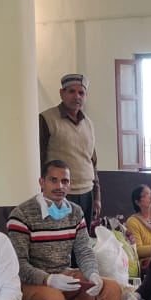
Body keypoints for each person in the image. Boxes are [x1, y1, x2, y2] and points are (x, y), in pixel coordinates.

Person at [7, 160, 127, 300]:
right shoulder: (22, 214)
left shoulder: (75, 212)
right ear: (41, 182)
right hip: (31, 284)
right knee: (53, 299)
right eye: (53, 180)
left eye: (65, 181)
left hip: (65, 276)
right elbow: (18, 264)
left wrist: (93, 274)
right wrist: (48, 279)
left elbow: (83, 250)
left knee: (111, 289)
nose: (59, 185)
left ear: (70, 185)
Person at [39, 73, 100, 224]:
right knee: (61, 240)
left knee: (82, 240)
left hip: (87, 192)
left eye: (81, 92)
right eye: (71, 91)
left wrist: (97, 196)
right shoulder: (47, 119)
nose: (76, 96)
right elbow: (39, 158)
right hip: (59, 194)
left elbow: (92, 161)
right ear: (62, 93)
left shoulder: (89, 123)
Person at [125, 184, 151, 270]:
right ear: (137, 202)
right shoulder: (133, 222)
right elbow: (137, 250)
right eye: (147, 195)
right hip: (145, 263)